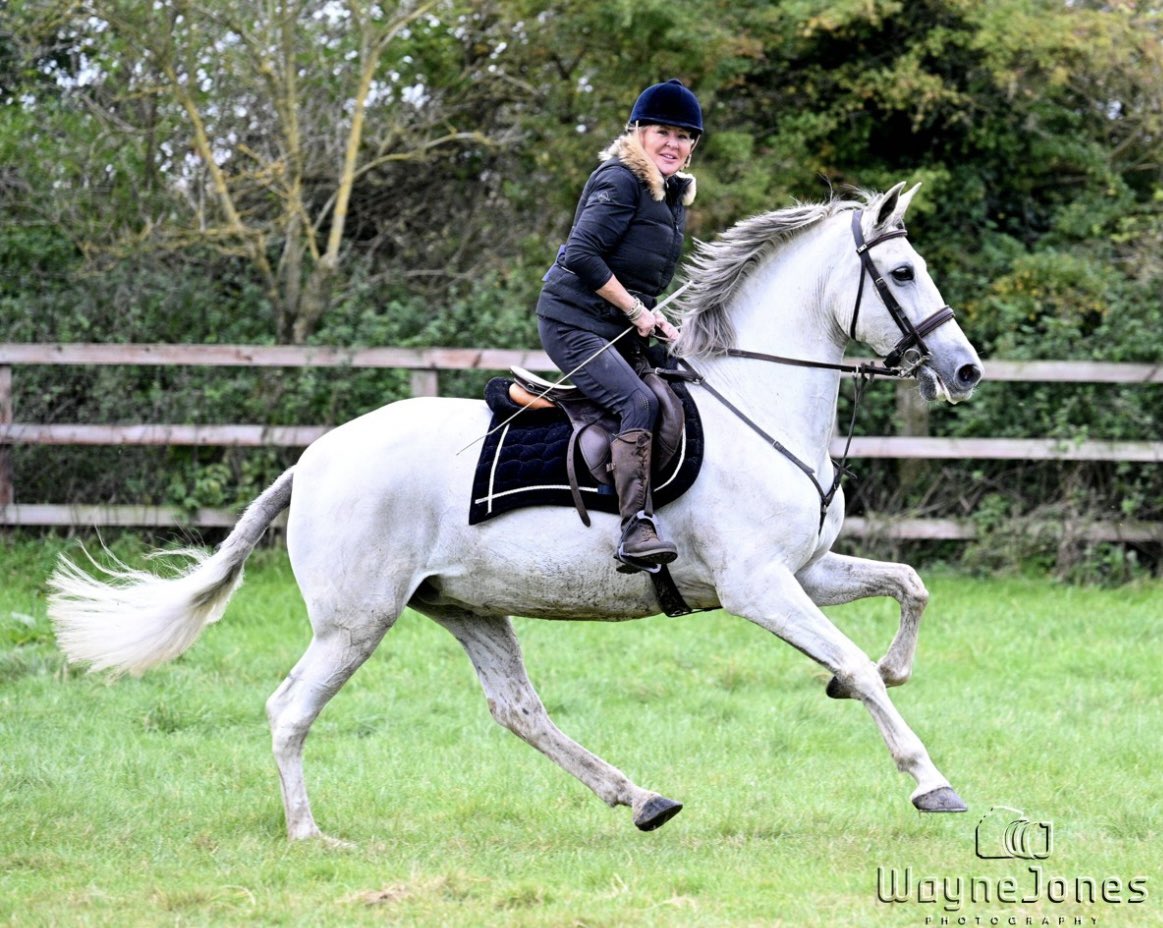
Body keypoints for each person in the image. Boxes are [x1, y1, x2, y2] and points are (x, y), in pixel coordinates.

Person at [536, 78, 702, 573]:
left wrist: (655, 317)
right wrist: (634, 311)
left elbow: (634, 279)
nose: (673, 144)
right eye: (663, 132)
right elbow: (581, 255)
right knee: (638, 401)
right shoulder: (621, 179)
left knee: (685, 378)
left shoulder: (670, 196)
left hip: (618, 325)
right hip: (572, 323)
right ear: (638, 134)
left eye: (684, 136)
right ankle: (634, 528)